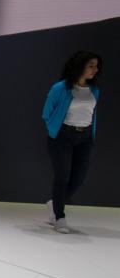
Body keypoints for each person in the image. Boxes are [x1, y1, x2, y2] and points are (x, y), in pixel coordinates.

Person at [42, 50, 101, 233]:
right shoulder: (60, 88)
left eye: (96, 66)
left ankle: (54, 203)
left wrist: (89, 134)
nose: (95, 69)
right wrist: (55, 131)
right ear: (80, 66)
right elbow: (47, 113)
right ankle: (59, 217)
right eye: (91, 65)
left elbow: (91, 114)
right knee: (62, 177)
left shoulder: (94, 90)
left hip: (85, 138)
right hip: (63, 137)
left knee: (79, 179)